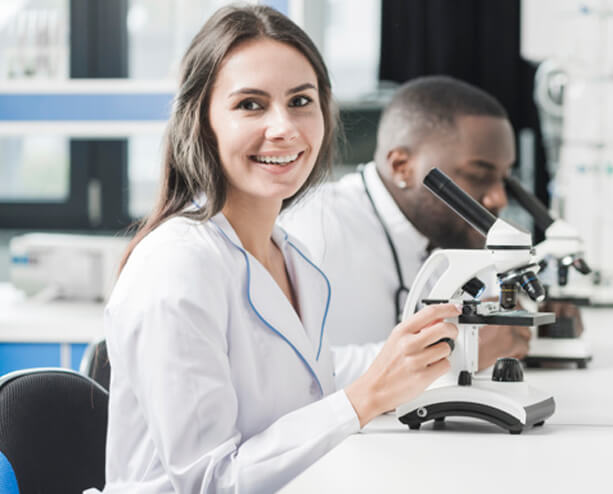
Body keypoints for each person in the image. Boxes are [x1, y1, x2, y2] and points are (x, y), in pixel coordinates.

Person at [94, 6, 459, 493]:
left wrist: (431, 348)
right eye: (250, 104)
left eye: (301, 101)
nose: (284, 127)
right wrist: (364, 398)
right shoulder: (176, 266)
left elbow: (312, 379)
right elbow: (210, 481)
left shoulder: (287, 255)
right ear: (202, 122)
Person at [282, 76, 531, 383]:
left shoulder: (448, 230)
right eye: (478, 175)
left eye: (504, 179)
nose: (498, 198)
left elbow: (500, 322)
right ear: (402, 166)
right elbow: (293, 373)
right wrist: (455, 354)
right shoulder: (316, 229)